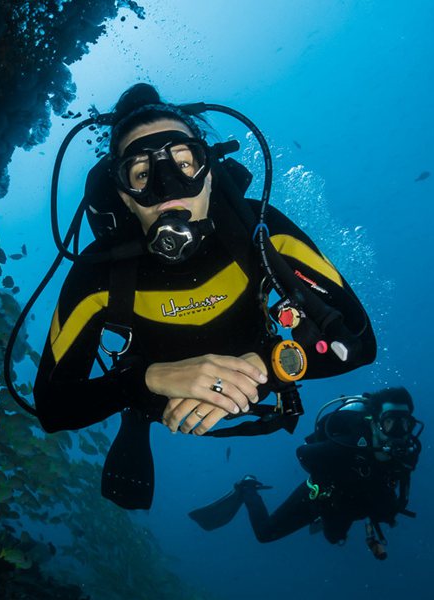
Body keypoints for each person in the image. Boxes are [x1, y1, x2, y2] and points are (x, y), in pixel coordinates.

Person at [31, 83, 377, 508]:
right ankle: (136, 416)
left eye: (184, 162)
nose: (166, 187)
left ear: (209, 171)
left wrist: (269, 365)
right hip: (152, 398)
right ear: (123, 194)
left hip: (262, 372)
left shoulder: (262, 232)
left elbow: (360, 342)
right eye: (141, 174)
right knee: (136, 403)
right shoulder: (98, 273)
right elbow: (53, 407)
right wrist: (145, 381)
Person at [189, 388, 421, 559]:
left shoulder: (405, 454)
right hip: (319, 497)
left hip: (354, 502)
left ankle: (332, 521)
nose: (399, 432)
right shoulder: (351, 443)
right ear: (375, 422)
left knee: (335, 538)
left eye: (405, 424)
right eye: (391, 423)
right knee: (265, 533)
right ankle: (247, 487)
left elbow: (397, 491)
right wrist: (329, 485)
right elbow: (304, 453)